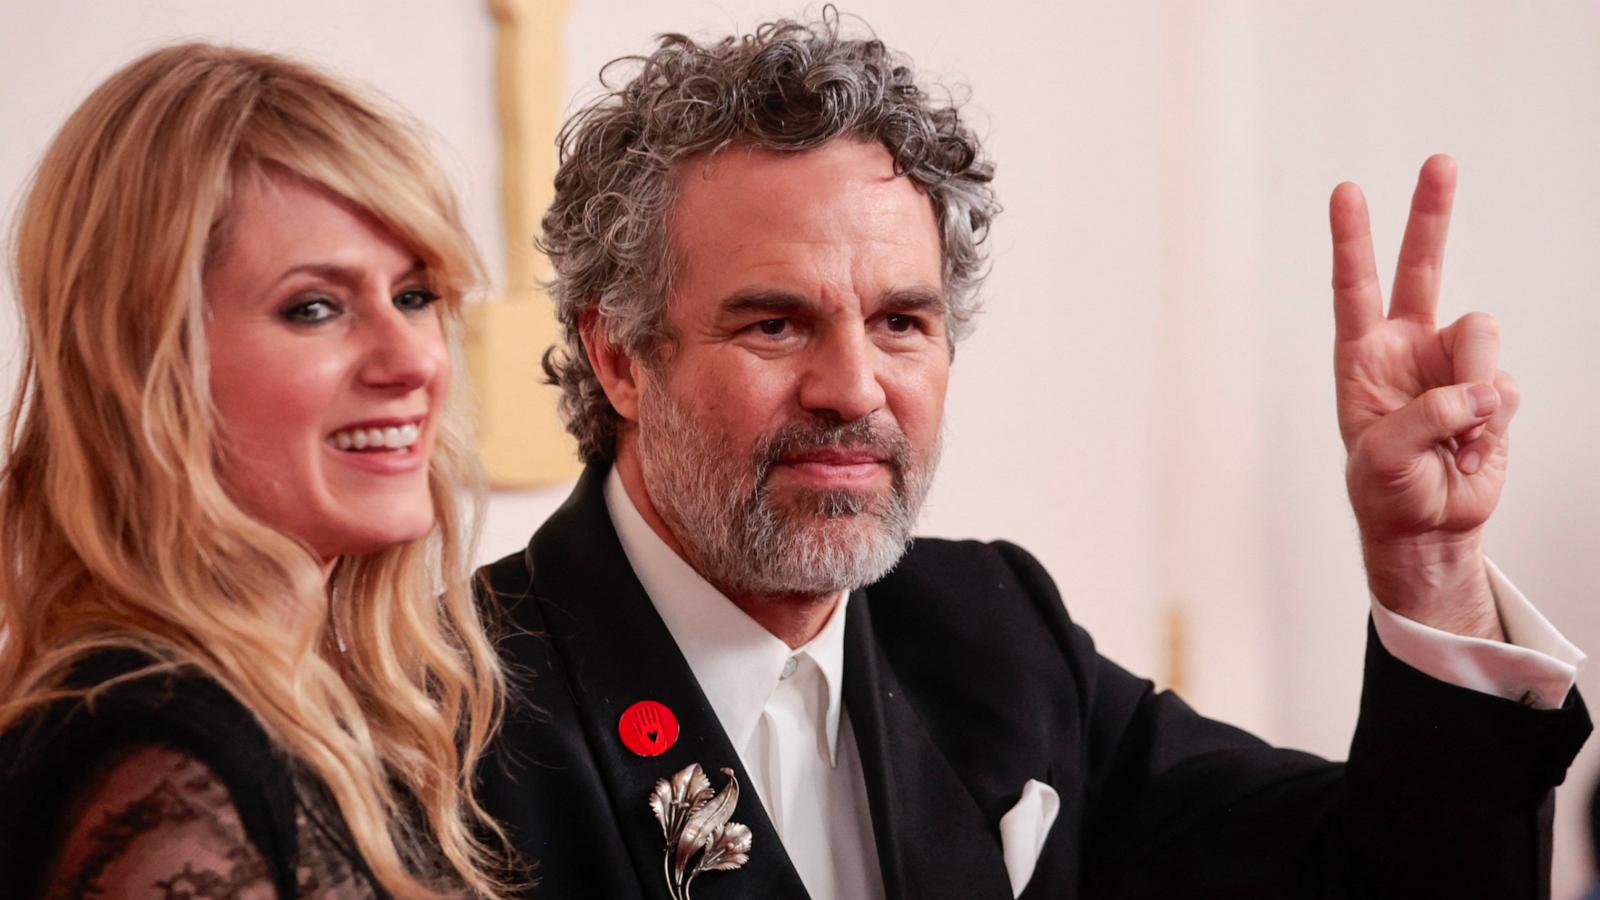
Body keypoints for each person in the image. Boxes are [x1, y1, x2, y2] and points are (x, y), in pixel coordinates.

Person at [475, 12, 1591, 900]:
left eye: (902, 322)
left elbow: (1370, 879)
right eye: (774, 324)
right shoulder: (444, 712)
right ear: (619, 357)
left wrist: (1426, 563)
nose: (854, 389)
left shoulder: (991, 628)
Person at [0, 45, 515, 898]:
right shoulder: (162, 765)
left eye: (416, 296)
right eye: (316, 307)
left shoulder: (320, 712)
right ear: (148, 362)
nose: (410, 360)